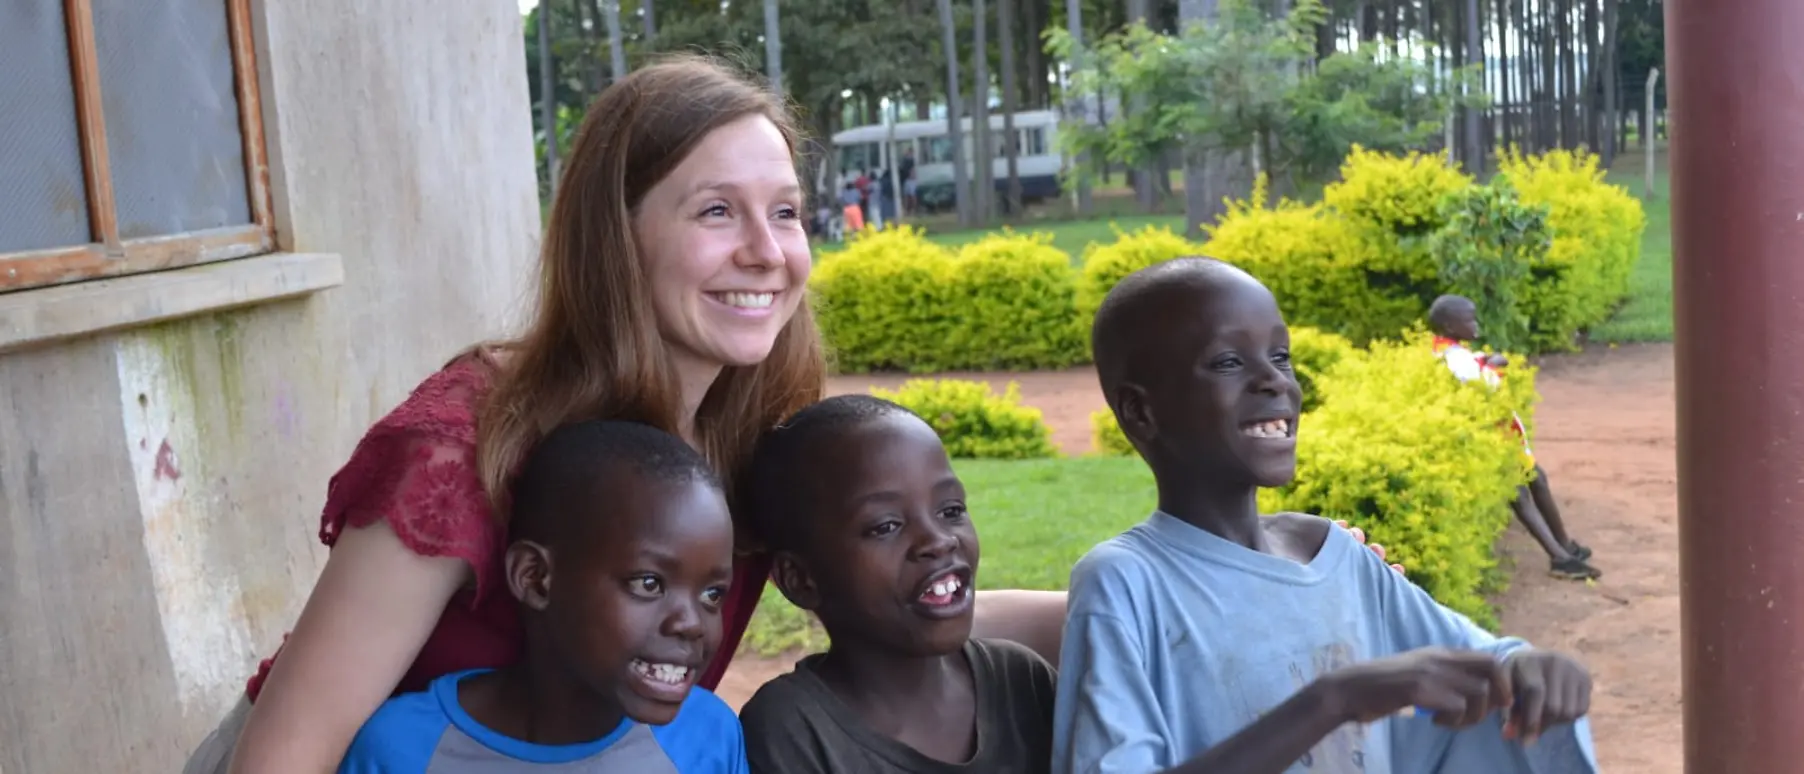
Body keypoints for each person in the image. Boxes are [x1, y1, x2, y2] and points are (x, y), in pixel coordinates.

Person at [182, 53, 1072, 774]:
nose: (767, 253)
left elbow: (882, 588)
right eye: (717, 211)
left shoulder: (744, 435)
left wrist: (1106, 605)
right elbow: (289, 752)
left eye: (788, 212)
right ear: (617, 231)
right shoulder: (466, 445)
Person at [1053, 257, 1599, 774]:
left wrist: (1530, 669)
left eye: (1281, 356)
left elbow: (1482, 660)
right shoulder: (1126, 582)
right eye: (1227, 361)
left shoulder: (1334, 554)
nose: (1276, 381)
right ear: (1141, 411)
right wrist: (1336, 698)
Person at [338, 421, 746, 772]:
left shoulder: (709, 739)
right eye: (649, 584)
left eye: (712, 593)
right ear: (534, 578)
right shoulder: (401, 752)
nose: (691, 623)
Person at [735, 396, 1056, 773]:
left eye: (950, 511)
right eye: (886, 526)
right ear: (800, 579)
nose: (938, 540)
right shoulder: (793, 730)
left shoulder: (1021, 681)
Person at [1427, 294, 1600, 581]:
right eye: (1469, 319)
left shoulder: (1452, 350)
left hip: (1501, 435)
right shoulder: (1451, 356)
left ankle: (1564, 546)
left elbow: (1473, 366)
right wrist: (1493, 365)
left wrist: (1485, 360)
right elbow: (1485, 384)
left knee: (1537, 479)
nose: (1476, 324)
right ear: (1448, 325)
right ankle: (1559, 557)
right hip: (1490, 437)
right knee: (1519, 493)